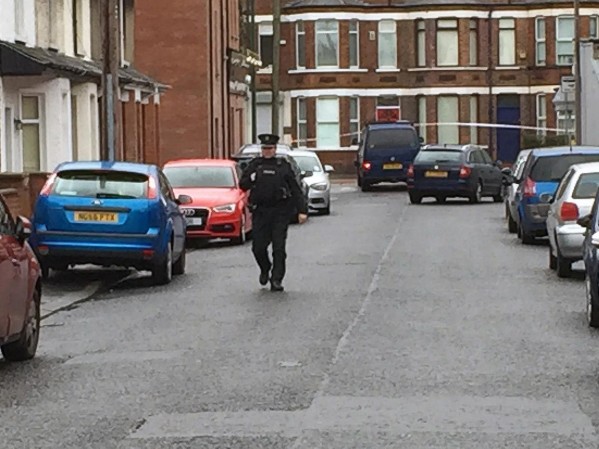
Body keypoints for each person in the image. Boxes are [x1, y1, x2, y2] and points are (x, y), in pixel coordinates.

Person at [239, 134, 308, 292]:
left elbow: (295, 188)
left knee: (279, 248)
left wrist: (302, 210)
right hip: (260, 212)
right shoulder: (255, 165)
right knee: (258, 248)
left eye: (269, 148)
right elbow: (243, 185)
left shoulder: (282, 165)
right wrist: (251, 178)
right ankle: (265, 268)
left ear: (275, 149)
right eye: (264, 148)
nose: (267, 151)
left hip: (280, 212)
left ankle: (276, 279)